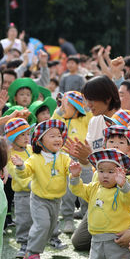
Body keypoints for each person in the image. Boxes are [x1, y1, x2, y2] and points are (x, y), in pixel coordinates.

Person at [11, 120, 71, 259]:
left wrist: (75, 170)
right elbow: (26, 173)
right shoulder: (35, 159)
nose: (58, 139)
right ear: (39, 141)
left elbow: (71, 170)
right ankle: (31, 253)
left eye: (59, 135)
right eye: (52, 136)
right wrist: (20, 166)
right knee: (42, 225)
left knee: (50, 227)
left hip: (56, 200)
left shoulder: (64, 157)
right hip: (39, 199)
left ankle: (37, 248)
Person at [52, 90, 92, 234]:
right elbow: (55, 117)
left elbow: (89, 112)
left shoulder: (84, 118)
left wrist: (83, 103)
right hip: (66, 159)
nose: (62, 108)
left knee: (86, 186)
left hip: (84, 159)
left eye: (66, 105)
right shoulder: (61, 119)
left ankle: (86, 214)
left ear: (75, 106)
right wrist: (62, 105)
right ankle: (68, 218)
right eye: (61, 104)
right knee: (68, 191)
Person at [4, 118, 34, 258]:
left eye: (28, 134)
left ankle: (52, 238)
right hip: (22, 193)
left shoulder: (31, 149)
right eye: (23, 134)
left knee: (41, 218)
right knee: (23, 219)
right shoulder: (10, 154)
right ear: (13, 137)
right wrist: (29, 184)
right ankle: (23, 244)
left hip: (37, 191)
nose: (27, 137)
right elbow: (14, 173)